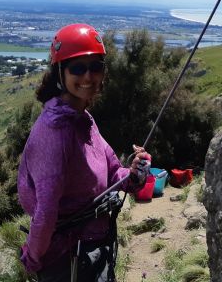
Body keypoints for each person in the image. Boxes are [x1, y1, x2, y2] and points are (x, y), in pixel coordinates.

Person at [18, 23, 151, 282]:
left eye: (96, 67)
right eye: (78, 68)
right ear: (60, 72)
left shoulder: (84, 119)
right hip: (67, 257)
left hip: (93, 247)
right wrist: (32, 258)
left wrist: (134, 173)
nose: (88, 76)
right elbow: (46, 211)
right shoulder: (55, 131)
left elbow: (112, 172)